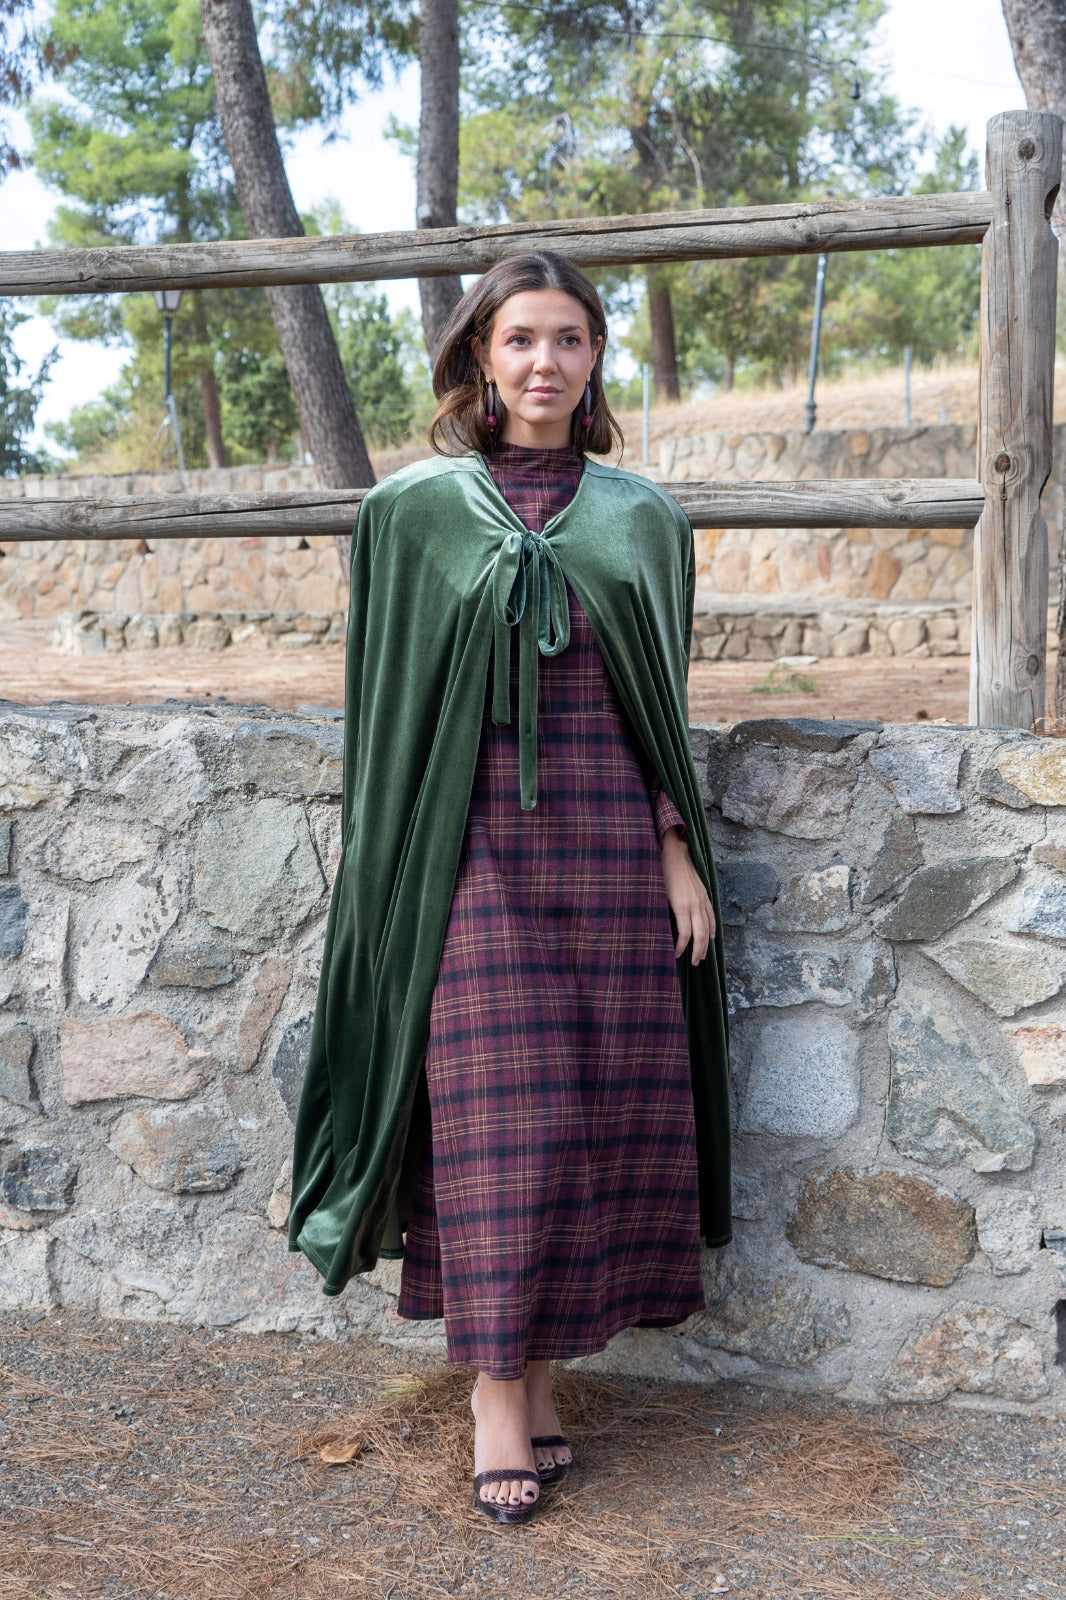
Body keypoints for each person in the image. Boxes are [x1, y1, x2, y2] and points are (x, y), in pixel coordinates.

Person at [288, 251, 731, 1525]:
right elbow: (386, 718)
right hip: (467, 855)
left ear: (595, 359)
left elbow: (655, 708)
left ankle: (538, 1385)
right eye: (521, 338)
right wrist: (392, 883)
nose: (546, 361)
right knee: (503, 1124)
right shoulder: (412, 514)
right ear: (480, 356)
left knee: (586, 1116)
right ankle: (493, 1401)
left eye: (570, 339)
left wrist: (673, 846)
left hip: (607, 852)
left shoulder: (641, 518)